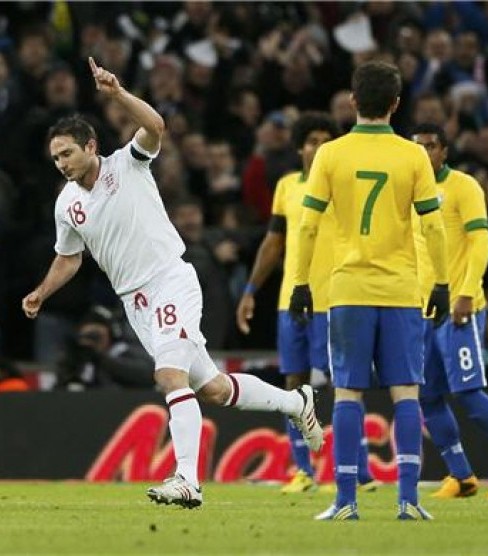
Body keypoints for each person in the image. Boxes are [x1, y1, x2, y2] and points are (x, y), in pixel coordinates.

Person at [22, 58, 323, 509]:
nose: (62, 164)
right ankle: (297, 403)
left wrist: (118, 93)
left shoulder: (127, 164)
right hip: (135, 303)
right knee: (215, 390)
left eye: (67, 153)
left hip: (170, 281)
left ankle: (187, 479)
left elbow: (156, 126)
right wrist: (42, 291)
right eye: (56, 158)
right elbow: (69, 258)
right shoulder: (67, 205)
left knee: (169, 376)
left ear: (90, 145)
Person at [290, 60, 449, 521]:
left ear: (353, 101)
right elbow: (433, 225)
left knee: (347, 394)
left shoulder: (331, 155)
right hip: (401, 290)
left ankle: (345, 501)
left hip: (348, 289)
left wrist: (300, 281)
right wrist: (440, 280)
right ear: (397, 104)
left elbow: (308, 223)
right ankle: (408, 500)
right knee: (405, 394)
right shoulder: (413, 156)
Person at [236, 112, 376, 495]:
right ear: (299, 146)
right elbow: (274, 242)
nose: (317, 148)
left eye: (324, 140)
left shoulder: (348, 187)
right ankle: (303, 471)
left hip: (335, 300)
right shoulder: (287, 187)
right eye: (310, 141)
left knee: (336, 385)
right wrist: (250, 290)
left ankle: (352, 469)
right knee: (293, 383)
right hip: (291, 302)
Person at [410, 123, 488, 500]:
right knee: (427, 396)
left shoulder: (464, 187)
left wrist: (464, 294)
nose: (424, 153)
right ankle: (461, 476)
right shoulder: (406, 193)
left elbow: (480, 243)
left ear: (444, 151)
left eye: (431, 146)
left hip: (459, 308)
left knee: (469, 393)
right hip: (420, 310)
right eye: (418, 147)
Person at [55, 305, 156, 390]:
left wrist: (101, 359)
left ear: (111, 333)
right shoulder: (78, 358)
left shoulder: (124, 350)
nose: (92, 340)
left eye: (96, 335)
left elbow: (147, 374)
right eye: (87, 336)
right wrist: (71, 365)